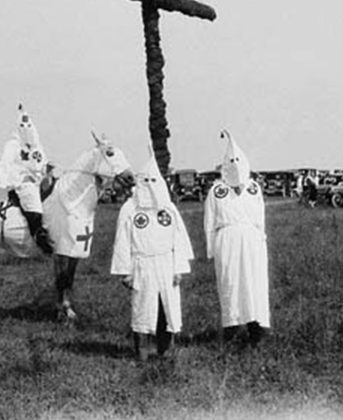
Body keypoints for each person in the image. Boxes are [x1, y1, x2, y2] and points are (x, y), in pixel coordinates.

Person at [111, 150, 194, 360]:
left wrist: (179, 269)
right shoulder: (129, 209)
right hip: (142, 264)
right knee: (142, 308)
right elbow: (122, 241)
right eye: (144, 180)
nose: (149, 185)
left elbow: (179, 239)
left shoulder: (168, 209)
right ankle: (142, 352)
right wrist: (125, 272)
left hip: (166, 263)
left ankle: (166, 349)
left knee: (167, 308)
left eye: (153, 180)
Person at [203, 130, 271, 349]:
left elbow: (260, 219)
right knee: (231, 283)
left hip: (252, 243)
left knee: (254, 283)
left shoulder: (254, 189)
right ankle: (231, 328)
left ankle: (256, 330)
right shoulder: (217, 191)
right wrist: (212, 249)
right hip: (228, 242)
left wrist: (261, 241)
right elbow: (210, 221)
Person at [0, 104, 52, 254]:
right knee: (30, 196)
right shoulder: (13, 145)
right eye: (23, 125)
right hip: (20, 183)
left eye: (28, 125)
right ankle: (38, 234)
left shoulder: (36, 146)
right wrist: (8, 183)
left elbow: (42, 162)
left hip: (38, 181)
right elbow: (4, 165)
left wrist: (45, 173)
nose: (26, 128)